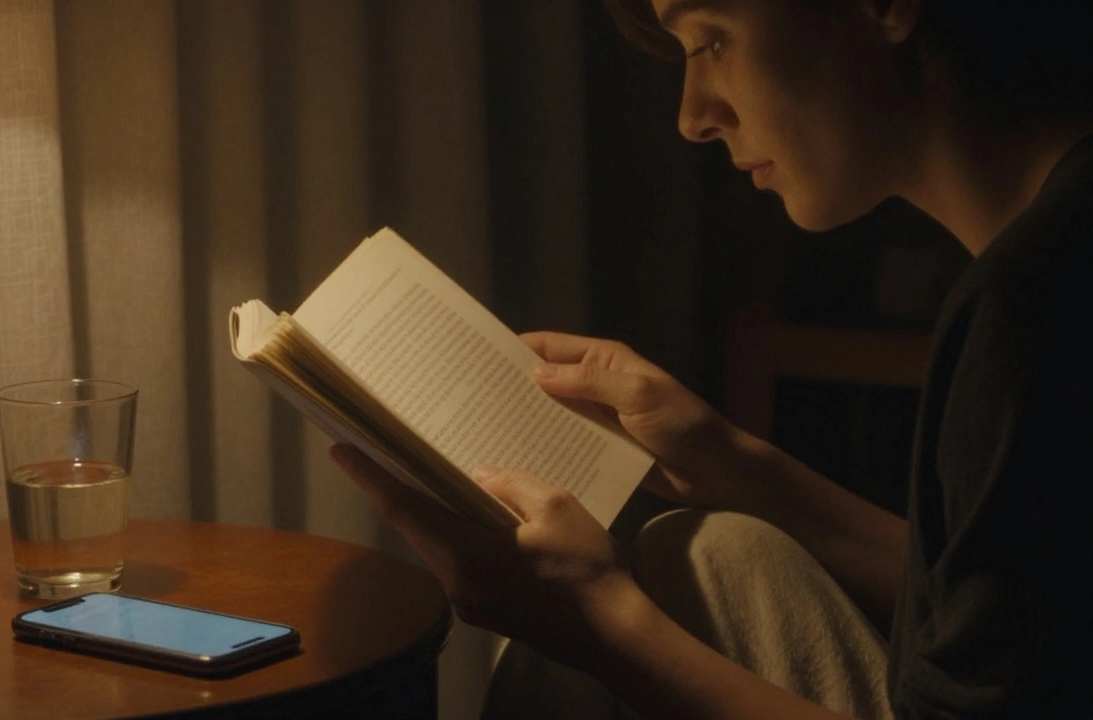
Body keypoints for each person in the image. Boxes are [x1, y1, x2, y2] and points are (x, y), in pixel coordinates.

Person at [330, 0, 1093, 717]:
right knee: (711, 551)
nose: (694, 116)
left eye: (711, 39)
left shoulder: (1034, 309)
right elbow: (1016, 609)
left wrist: (597, 623)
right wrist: (732, 462)